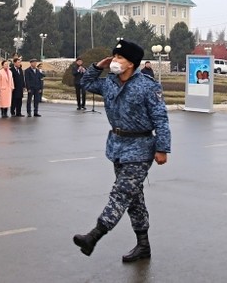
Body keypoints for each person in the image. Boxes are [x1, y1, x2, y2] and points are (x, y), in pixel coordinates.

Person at [73, 40, 171, 263]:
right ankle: (143, 245)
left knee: (121, 193)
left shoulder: (148, 86)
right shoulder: (109, 82)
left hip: (140, 148)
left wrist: (163, 148)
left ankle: (94, 236)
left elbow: (161, 119)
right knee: (134, 198)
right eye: (114, 57)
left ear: (132, 64)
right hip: (117, 145)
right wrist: (99, 65)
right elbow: (85, 83)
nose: (115, 61)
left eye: (120, 58)